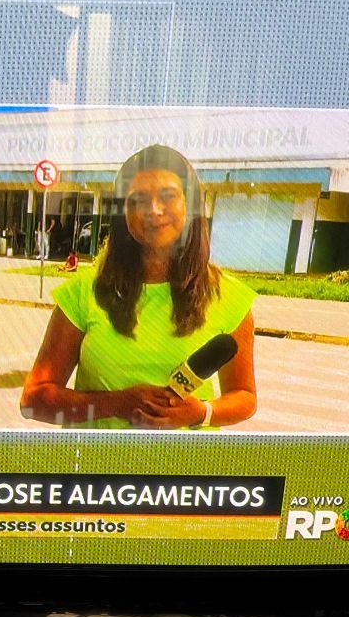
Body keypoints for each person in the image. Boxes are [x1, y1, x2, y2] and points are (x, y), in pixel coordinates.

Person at [20, 145, 256, 430]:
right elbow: (33, 400)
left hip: (187, 473)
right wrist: (117, 403)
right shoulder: (82, 293)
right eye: (138, 200)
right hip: (99, 473)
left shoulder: (229, 297)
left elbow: (244, 397)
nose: (153, 210)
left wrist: (201, 413)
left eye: (168, 196)